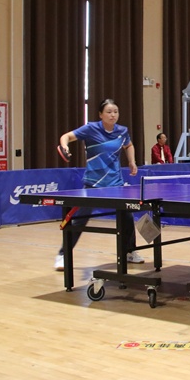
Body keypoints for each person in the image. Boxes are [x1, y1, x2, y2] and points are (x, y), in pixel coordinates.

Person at [54, 98, 142, 271]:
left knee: (127, 218)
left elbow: (129, 145)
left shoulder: (122, 131)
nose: (113, 115)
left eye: (115, 111)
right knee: (79, 220)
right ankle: (63, 255)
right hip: (93, 184)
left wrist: (132, 161)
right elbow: (66, 136)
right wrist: (64, 146)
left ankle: (129, 252)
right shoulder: (90, 129)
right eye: (109, 112)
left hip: (116, 184)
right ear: (101, 114)